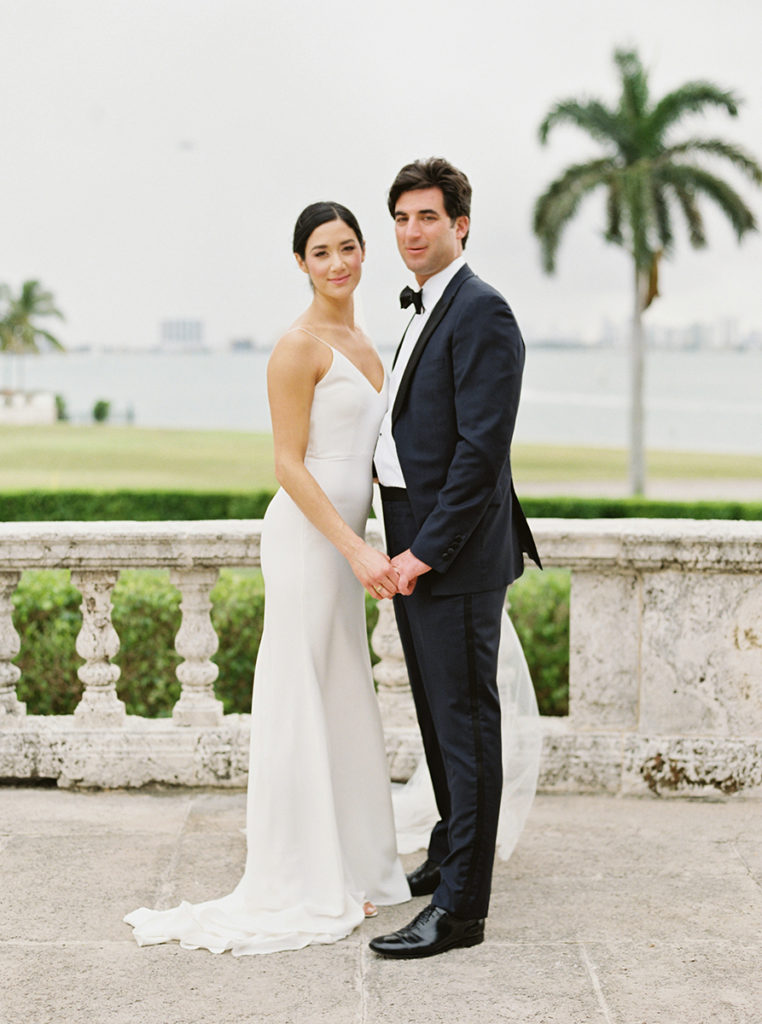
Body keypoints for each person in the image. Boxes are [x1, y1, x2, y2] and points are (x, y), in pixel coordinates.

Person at [125, 201, 410, 956]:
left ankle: (355, 866)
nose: (338, 263)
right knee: (301, 693)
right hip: (309, 543)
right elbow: (288, 465)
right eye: (321, 252)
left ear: (363, 253)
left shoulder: (368, 345)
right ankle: (303, 874)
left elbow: (372, 459)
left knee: (343, 689)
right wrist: (355, 549)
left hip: (346, 542)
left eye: (347, 247)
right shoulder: (295, 347)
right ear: (301, 264)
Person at [370, 157, 542, 959]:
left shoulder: (482, 310)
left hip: (455, 550)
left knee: (467, 725)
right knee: (441, 720)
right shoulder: (425, 305)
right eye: (402, 218)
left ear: (460, 225)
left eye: (428, 217)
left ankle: (462, 910)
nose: (412, 231)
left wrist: (423, 553)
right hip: (412, 531)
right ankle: (450, 852)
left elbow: (481, 452)